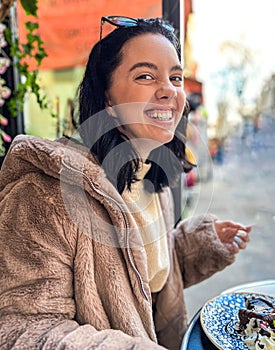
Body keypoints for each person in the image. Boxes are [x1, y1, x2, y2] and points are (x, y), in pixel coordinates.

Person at [0, 16, 251, 350]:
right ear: (108, 102)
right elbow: (22, 329)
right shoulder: (45, 195)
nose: (169, 90)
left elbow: (138, 277)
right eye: (146, 76)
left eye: (175, 78)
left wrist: (198, 244)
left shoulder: (148, 176)